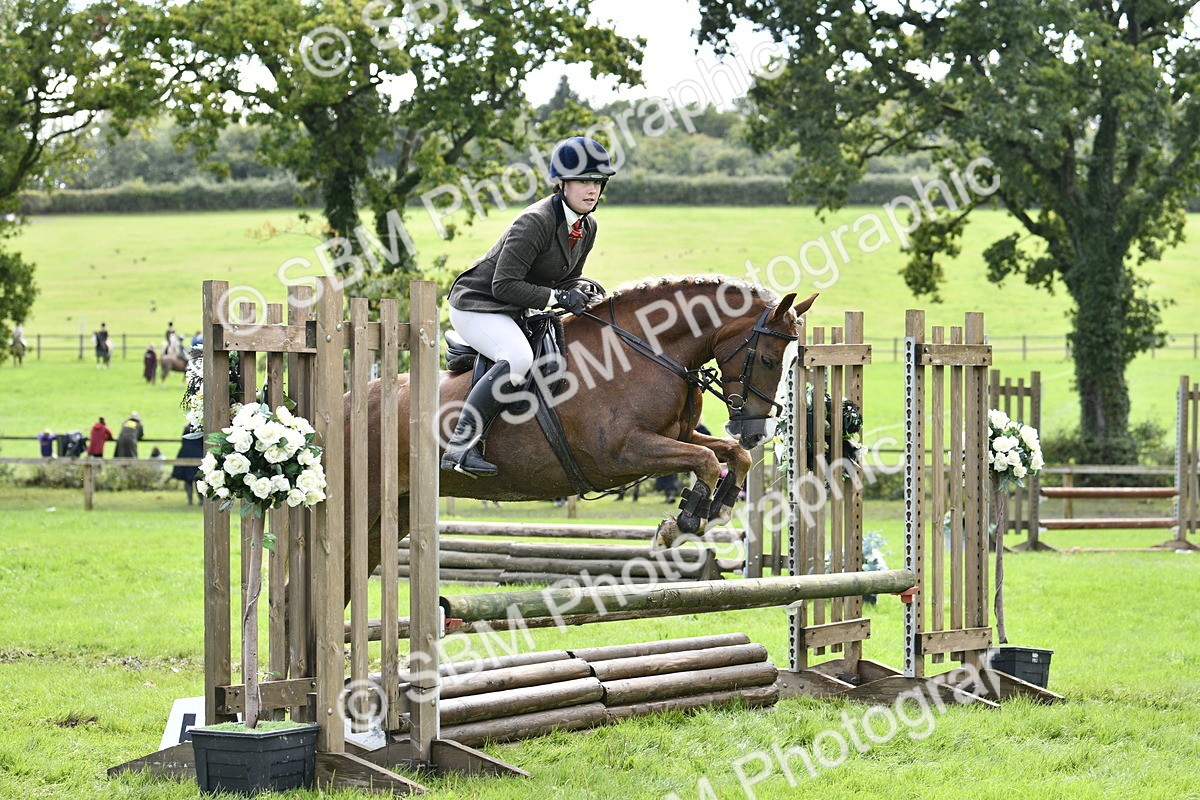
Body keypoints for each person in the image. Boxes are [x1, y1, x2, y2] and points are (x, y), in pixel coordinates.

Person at [440, 135, 615, 477]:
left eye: (597, 182)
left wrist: (580, 290)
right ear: (561, 184)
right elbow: (503, 284)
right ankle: (460, 445)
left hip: (514, 308)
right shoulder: (535, 220)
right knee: (518, 357)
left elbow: (567, 279)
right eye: (583, 181)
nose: (591, 189)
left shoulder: (587, 226)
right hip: (478, 305)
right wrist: (558, 298)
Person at [171, 424, 205, 505]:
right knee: (198, 479)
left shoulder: (186, 429)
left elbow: (183, 440)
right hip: (197, 454)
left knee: (187, 479)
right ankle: (201, 500)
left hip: (185, 453)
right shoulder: (200, 430)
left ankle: (190, 500)